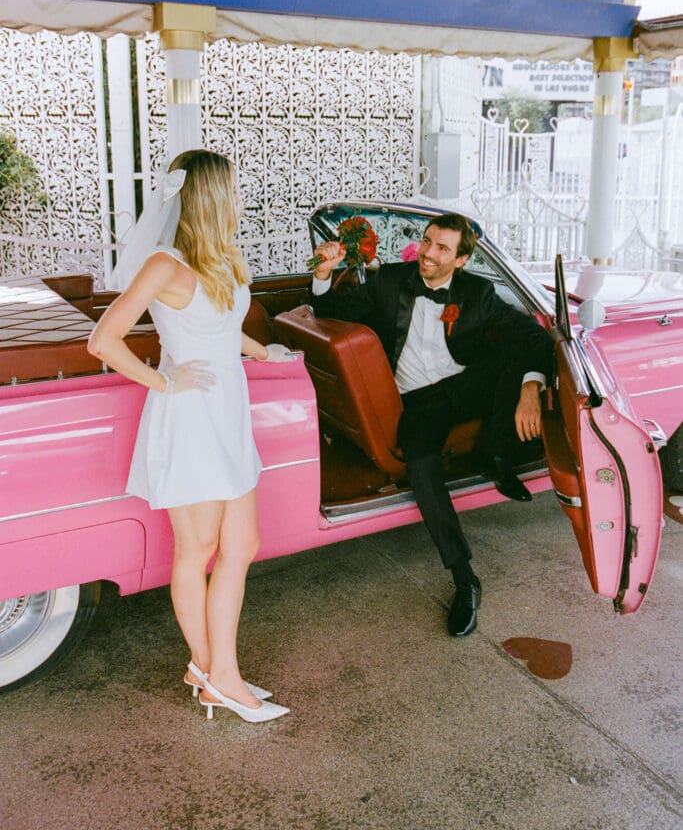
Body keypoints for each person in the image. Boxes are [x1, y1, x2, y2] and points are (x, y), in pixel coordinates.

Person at [88, 149, 291, 723]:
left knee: (243, 545)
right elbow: (104, 341)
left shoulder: (222, 256)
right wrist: (162, 379)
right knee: (198, 550)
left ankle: (212, 671)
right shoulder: (165, 264)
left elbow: (221, 325)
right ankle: (216, 673)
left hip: (229, 413)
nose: (240, 196)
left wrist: (262, 349)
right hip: (191, 419)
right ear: (209, 195)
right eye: (233, 187)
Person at [311, 213, 552, 637]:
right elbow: (330, 310)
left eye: (442, 248)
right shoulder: (390, 282)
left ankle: (493, 453)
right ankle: (464, 578)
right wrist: (323, 274)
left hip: (463, 383)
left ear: (460, 260)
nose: (428, 253)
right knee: (422, 467)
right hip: (418, 401)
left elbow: (530, 337)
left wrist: (531, 388)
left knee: (512, 358)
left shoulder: (479, 292)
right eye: (426, 242)